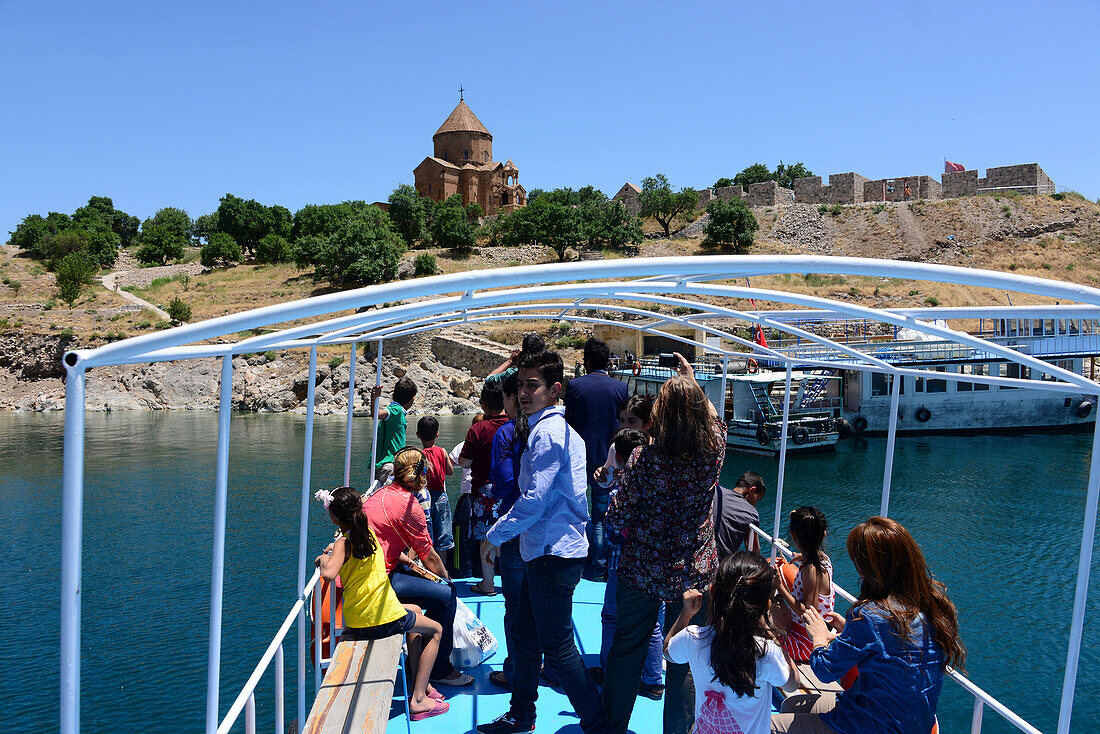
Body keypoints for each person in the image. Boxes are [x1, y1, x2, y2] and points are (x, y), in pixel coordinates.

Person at [478, 350, 610, 734]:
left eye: (532, 385)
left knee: (557, 646)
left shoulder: (548, 433)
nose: (523, 392)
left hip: (554, 551)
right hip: (546, 548)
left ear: (554, 389)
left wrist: (495, 535)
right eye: (520, 384)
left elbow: (536, 498)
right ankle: (522, 713)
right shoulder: (554, 428)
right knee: (524, 633)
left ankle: (598, 723)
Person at [603, 352, 727, 734]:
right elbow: (715, 420)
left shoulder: (643, 459)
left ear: (659, 418)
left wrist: (613, 513)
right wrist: (691, 383)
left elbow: (619, 518)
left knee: (627, 651)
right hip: (695, 571)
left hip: (642, 570)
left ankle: (613, 728)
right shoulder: (713, 454)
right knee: (685, 658)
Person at [772, 516, 966, 734]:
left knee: (766, 727)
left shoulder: (869, 615)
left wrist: (818, 636)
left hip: (868, 724)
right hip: (913, 723)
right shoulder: (932, 608)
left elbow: (824, 671)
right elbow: (892, 648)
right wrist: (847, 631)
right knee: (789, 705)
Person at [313, 486, 450, 720]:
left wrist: (324, 557)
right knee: (436, 630)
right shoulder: (368, 535)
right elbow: (331, 571)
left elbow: (329, 571)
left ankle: (421, 686)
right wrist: (327, 559)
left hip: (362, 618)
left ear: (334, 517)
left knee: (415, 611)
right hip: (381, 620)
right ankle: (418, 699)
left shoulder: (343, 543)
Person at [364, 447, 473, 687]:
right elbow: (430, 558)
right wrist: (448, 580)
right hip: (378, 582)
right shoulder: (409, 506)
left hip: (368, 575)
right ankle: (439, 668)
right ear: (422, 474)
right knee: (446, 595)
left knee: (433, 589)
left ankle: (423, 658)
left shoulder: (381, 493)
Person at [665, 552, 801, 734]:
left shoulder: (693, 637)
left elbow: (667, 651)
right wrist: (772, 632)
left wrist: (686, 613)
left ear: (712, 592)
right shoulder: (766, 651)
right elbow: (792, 684)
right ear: (766, 606)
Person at [590, 427, 664, 701]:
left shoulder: (619, 495)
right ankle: (653, 680)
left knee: (611, 617)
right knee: (654, 623)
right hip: (655, 566)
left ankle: (609, 671)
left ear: (619, 458)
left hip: (622, 567)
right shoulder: (661, 486)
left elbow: (612, 534)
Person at [563, 337, 629, 580]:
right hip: (609, 459)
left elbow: (567, 423)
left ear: (587, 361)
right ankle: (599, 567)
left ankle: (575, 560)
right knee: (601, 517)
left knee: (575, 513)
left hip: (578, 460)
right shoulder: (620, 388)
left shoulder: (575, 386)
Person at [485, 371, 526, 689]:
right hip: (548, 531)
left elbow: (502, 482)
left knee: (514, 605)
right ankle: (548, 668)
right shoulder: (548, 429)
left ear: (511, 400)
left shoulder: (506, 434)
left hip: (514, 527)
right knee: (544, 604)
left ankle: (515, 671)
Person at [459, 381, 510, 595]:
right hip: (510, 491)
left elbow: (464, 462)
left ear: (483, 404)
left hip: (484, 493)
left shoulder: (477, 429)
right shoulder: (515, 425)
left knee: (486, 538)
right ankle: (510, 582)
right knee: (508, 536)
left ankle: (487, 583)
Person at [774, 506, 833, 662]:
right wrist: (801, 556)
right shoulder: (823, 559)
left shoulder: (810, 570)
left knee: (761, 639)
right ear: (823, 534)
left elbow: (808, 612)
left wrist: (780, 587)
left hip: (806, 642)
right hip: (817, 635)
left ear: (793, 536)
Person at [449, 413, 483, 578]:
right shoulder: (492, 441)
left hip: (468, 494)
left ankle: (462, 569)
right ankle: (483, 569)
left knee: (462, 533)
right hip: (486, 494)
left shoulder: (465, 445)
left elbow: (449, 462)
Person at [417, 416, 455, 556]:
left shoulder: (419, 455)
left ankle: (430, 569)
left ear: (418, 435)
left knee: (427, 531)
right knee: (443, 531)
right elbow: (450, 471)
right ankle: (443, 568)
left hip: (424, 497)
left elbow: (419, 475)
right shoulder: (442, 451)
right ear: (437, 434)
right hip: (441, 497)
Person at [369, 377, 417, 485]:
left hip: (386, 465)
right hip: (390, 466)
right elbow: (377, 414)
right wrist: (374, 398)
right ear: (412, 399)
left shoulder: (397, 410)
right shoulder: (397, 410)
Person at [713, 472, 767, 559]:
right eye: (757, 499)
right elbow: (754, 550)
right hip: (722, 564)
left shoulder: (716, 492)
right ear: (752, 490)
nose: (755, 504)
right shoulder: (751, 513)